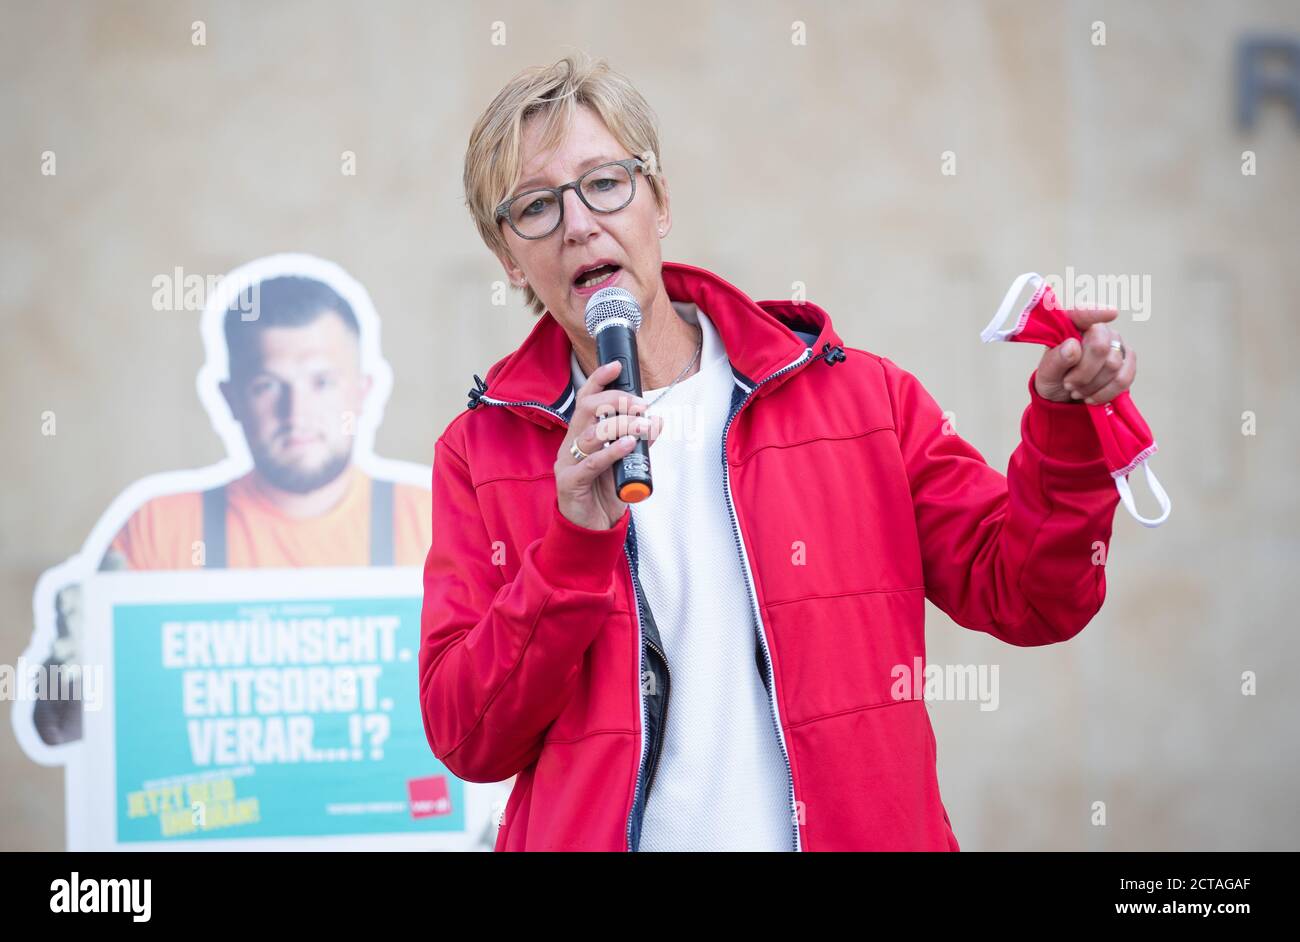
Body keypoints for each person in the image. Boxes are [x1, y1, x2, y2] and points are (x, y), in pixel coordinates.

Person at [419, 53, 1134, 851]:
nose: (579, 222)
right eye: (536, 207)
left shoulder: (862, 402)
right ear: (508, 258)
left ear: (659, 203)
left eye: (606, 183)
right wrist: (570, 545)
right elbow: (467, 737)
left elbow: (1035, 596)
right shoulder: (479, 455)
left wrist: (1066, 427)